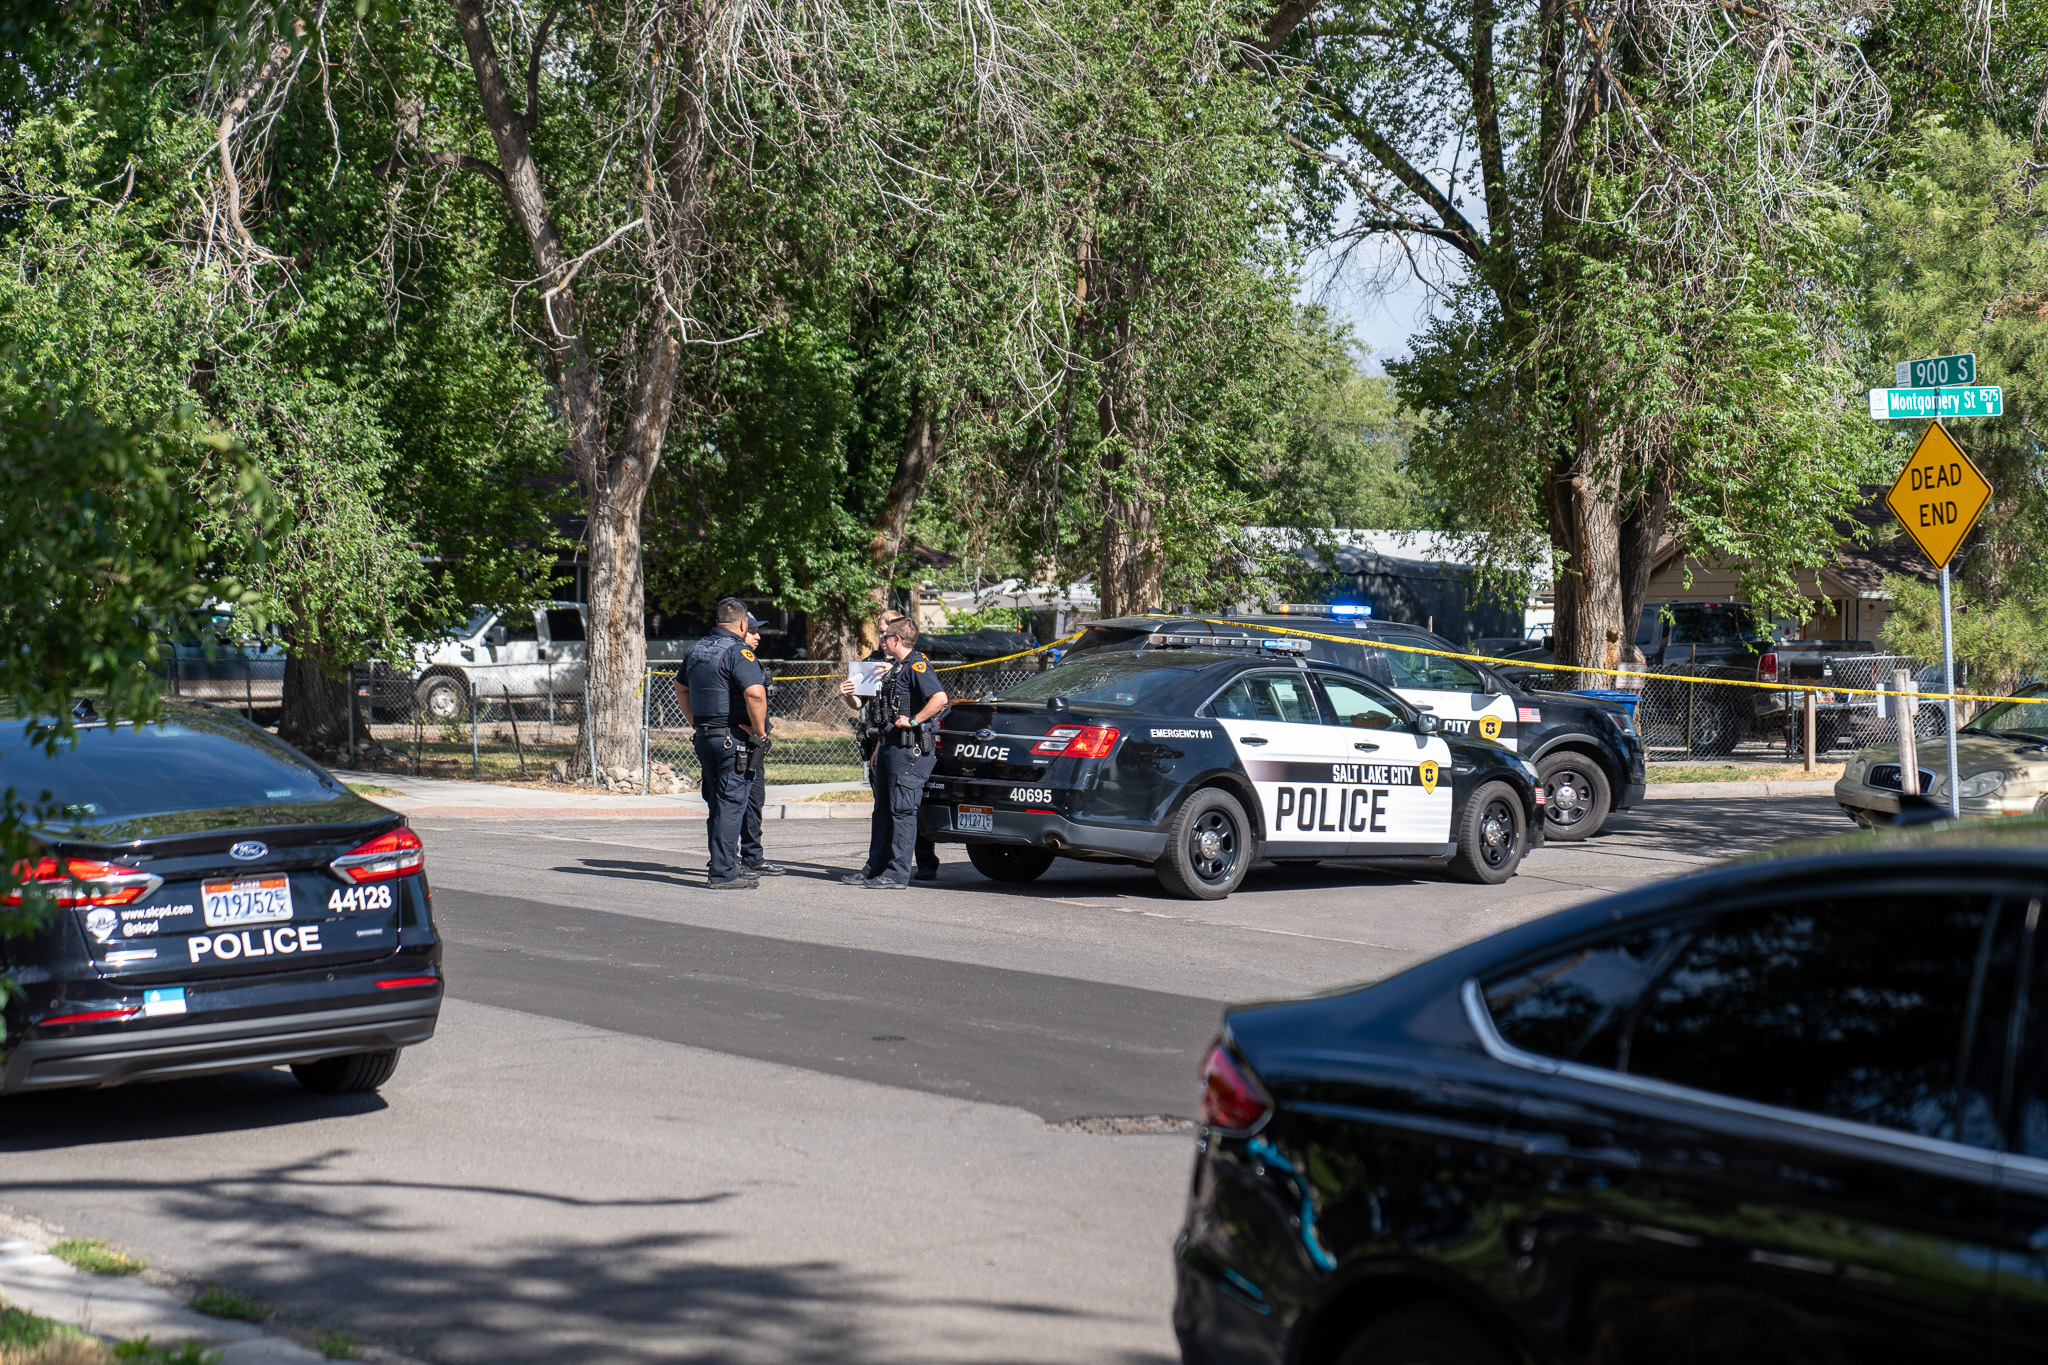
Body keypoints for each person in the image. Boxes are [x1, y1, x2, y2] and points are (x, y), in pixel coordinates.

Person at [843, 620, 949, 888]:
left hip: (908, 750)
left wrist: (914, 720)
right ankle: (875, 867)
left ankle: (897, 874)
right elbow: (885, 715)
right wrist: (880, 745)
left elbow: (939, 699)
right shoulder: (896, 667)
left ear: (897, 640)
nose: (882, 640)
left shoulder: (917, 665)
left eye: (886, 636)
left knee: (902, 811)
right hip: (890, 746)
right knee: (883, 812)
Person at [679, 597, 769, 889]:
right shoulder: (738, 652)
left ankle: (722, 863)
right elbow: (755, 694)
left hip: (705, 736)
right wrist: (760, 733)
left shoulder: (696, 650)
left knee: (717, 805)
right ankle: (723, 873)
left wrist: (696, 721)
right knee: (731, 805)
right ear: (743, 624)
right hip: (733, 739)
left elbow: (680, 688)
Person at [738, 613, 784, 877]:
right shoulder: (736, 658)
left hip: (755, 743)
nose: (758, 636)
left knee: (754, 801)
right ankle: (726, 859)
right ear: (739, 629)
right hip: (742, 741)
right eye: (752, 631)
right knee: (736, 803)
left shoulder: (749, 660)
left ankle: (752, 857)